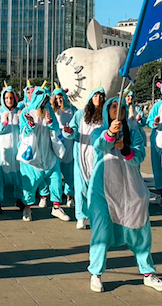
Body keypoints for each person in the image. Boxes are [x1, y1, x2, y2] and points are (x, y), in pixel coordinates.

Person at [87, 96, 162, 293]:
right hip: (103, 192)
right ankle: (96, 273)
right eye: (113, 107)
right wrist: (110, 134)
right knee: (101, 231)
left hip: (131, 191)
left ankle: (148, 273)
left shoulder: (135, 134)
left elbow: (138, 157)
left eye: (121, 107)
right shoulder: (99, 131)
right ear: (107, 111)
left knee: (140, 232)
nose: (118, 110)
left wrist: (124, 148)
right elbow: (99, 145)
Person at [18, 84, 71, 222]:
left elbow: (55, 129)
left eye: (47, 99)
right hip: (32, 156)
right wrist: (30, 125)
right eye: (43, 99)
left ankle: (57, 207)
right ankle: (27, 208)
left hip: (48, 154)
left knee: (56, 178)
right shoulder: (26, 112)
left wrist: (50, 122)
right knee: (29, 185)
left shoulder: (49, 111)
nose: (45, 102)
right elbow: (23, 133)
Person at [67, 86, 105, 230]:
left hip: (98, 155)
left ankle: (97, 216)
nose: (98, 98)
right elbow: (72, 132)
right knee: (81, 187)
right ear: (90, 97)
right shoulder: (80, 114)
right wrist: (69, 132)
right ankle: (81, 216)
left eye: (101, 96)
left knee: (97, 187)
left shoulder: (105, 114)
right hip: (82, 153)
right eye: (95, 96)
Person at [0, 85, 22, 214]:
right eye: (6, 98)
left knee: (19, 177)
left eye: (11, 98)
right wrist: (4, 123)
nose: (9, 100)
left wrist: (22, 118)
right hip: (2, 151)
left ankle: (19, 199)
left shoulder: (20, 112)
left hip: (17, 150)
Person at [52, 84, 77, 207]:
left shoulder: (72, 110)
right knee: (55, 174)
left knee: (69, 173)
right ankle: (55, 198)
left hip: (69, 144)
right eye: (56, 98)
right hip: (57, 144)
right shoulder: (52, 111)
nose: (59, 100)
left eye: (60, 97)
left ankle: (70, 195)